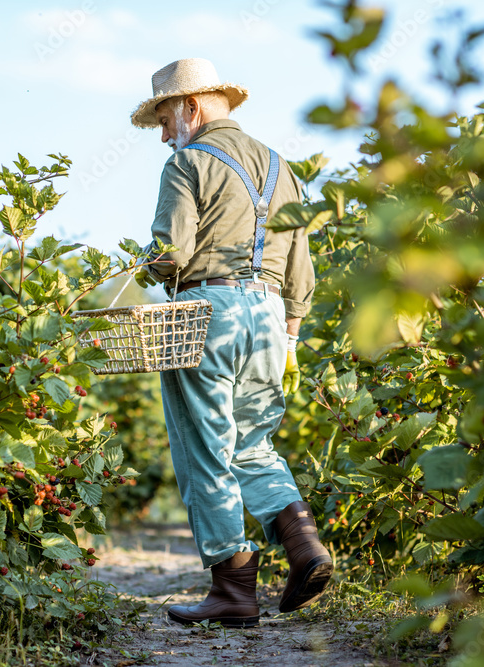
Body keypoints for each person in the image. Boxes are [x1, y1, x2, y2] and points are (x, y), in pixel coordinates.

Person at [130, 58, 332, 628]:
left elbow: (173, 252)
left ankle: (233, 587)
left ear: (191, 108)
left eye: (165, 119)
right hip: (270, 315)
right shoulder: (280, 166)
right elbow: (300, 265)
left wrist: (144, 268)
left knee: (205, 447)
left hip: (207, 311)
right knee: (253, 444)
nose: (165, 135)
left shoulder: (187, 164)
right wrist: (291, 333)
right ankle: (304, 546)